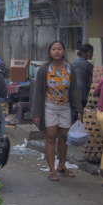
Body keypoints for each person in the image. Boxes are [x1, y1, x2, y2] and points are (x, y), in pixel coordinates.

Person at [32, 40, 83, 181]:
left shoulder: (69, 68)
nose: (56, 51)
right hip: (49, 107)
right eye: (54, 49)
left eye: (59, 49)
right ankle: (52, 169)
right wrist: (36, 113)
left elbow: (74, 91)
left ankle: (62, 166)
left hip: (65, 107)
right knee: (50, 137)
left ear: (63, 51)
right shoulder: (44, 69)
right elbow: (38, 92)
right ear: (50, 52)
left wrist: (79, 109)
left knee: (64, 137)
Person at [72, 43, 94, 108]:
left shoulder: (74, 62)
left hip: (73, 91)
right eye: (90, 52)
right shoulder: (88, 65)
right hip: (82, 92)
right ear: (84, 53)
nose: (92, 54)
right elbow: (96, 75)